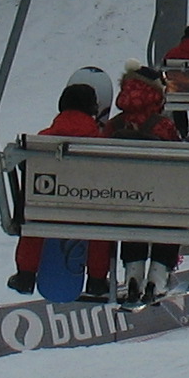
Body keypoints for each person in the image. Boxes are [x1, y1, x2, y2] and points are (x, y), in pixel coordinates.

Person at [9, 75, 114, 296]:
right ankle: (96, 279)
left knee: (34, 215)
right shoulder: (101, 142)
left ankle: (26, 274)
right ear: (93, 109)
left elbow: (25, 168)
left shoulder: (43, 139)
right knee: (103, 223)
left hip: (47, 209)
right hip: (88, 210)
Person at [107, 65, 184, 304]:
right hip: (159, 198)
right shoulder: (163, 125)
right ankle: (157, 278)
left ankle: (133, 276)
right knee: (172, 215)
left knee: (132, 215)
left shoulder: (115, 124)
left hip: (121, 197)